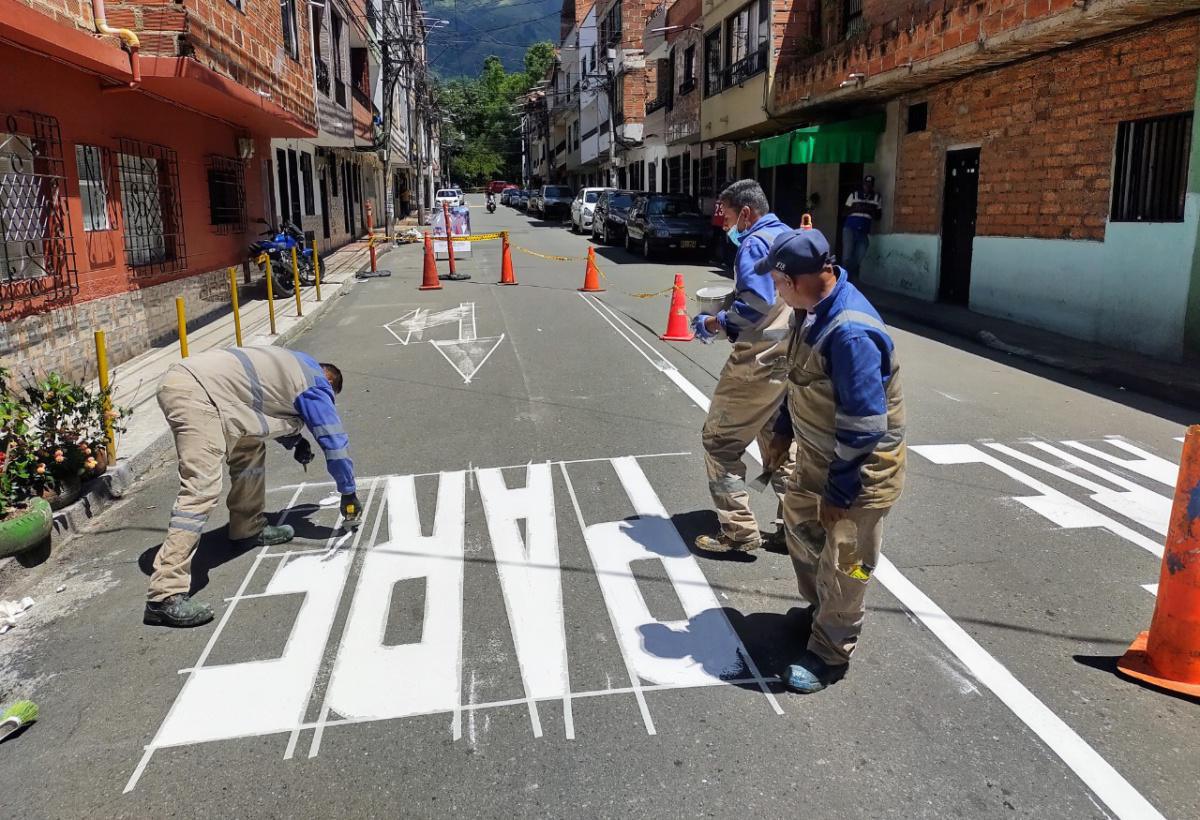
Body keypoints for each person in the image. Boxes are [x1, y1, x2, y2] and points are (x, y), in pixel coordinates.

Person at [760, 227, 906, 693]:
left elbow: (865, 426)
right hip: (818, 456)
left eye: (778, 283)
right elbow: (798, 374)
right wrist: (784, 429)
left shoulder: (850, 332)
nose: (775, 291)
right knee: (803, 535)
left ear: (796, 279)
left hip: (858, 473)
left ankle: (831, 651)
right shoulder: (810, 310)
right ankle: (820, 611)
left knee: (848, 563)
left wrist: (841, 492)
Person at [145, 347, 360, 629]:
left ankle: (247, 528)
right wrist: (348, 491)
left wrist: (295, 441)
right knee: (201, 488)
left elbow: (262, 408)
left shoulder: (295, 365)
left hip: (205, 387)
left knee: (250, 448)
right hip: (196, 395)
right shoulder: (316, 384)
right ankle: (164, 595)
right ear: (329, 381)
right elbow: (333, 442)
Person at [689, 180, 794, 553]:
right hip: (791, 357)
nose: (727, 225)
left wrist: (715, 323)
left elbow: (755, 303)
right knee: (776, 437)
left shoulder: (754, 242)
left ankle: (737, 531)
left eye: (730, 217)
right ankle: (794, 528)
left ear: (746, 213)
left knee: (719, 443)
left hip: (757, 359)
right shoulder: (789, 234)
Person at [842, 175, 882, 280]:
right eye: (865, 183)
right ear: (863, 184)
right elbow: (844, 212)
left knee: (859, 256)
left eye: (870, 184)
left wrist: (870, 210)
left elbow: (878, 216)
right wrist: (856, 208)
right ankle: (843, 282)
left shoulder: (876, 197)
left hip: (863, 232)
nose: (867, 186)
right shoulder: (854, 195)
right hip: (850, 229)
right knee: (847, 256)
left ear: (872, 185)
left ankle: (849, 277)